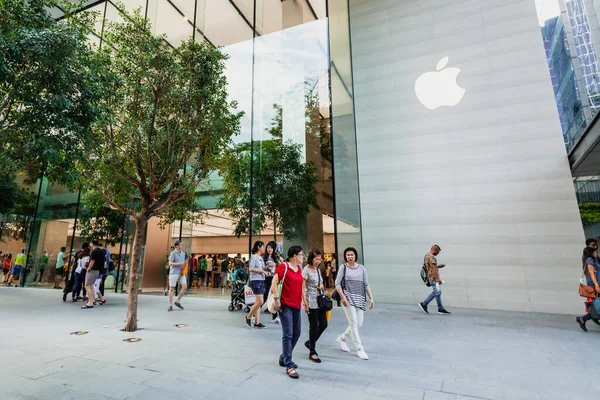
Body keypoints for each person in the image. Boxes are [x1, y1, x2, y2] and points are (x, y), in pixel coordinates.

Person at [335, 247, 374, 360]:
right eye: (348, 255)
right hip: (347, 298)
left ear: (355, 255)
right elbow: (337, 284)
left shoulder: (362, 268)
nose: (350, 257)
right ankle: (359, 348)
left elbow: (366, 284)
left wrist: (371, 298)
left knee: (359, 323)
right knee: (353, 322)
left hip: (359, 298)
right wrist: (342, 297)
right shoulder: (343, 268)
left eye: (352, 255)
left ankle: (342, 338)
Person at [272, 245, 305, 379]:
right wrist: (276, 299)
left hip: (296, 305)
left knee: (297, 333)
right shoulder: (284, 267)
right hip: (285, 305)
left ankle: (283, 357)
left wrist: (304, 302)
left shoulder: (299, 269)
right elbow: (274, 282)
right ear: (294, 256)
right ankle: (289, 365)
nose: (303, 257)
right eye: (301, 254)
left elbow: (301, 287)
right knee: (288, 334)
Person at [303, 248, 328, 363]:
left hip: (319, 299)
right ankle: (312, 351)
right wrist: (305, 303)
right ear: (311, 258)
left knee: (323, 324)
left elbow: (321, 282)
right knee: (313, 325)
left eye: (320, 259)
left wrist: (321, 285)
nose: (318, 261)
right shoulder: (306, 270)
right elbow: (302, 287)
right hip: (310, 300)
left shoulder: (317, 269)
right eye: (316, 259)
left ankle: (309, 342)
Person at [418, 245, 451, 315]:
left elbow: (429, 267)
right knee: (436, 292)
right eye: (438, 252)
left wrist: (438, 266)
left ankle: (440, 308)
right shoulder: (432, 257)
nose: (438, 253)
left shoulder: (426, 256)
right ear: (435, 250)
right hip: (433, 278)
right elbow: (432, 268)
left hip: (430, 277)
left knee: (438, 293)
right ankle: (424, 304)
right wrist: (437, 279)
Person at [577, 247, 600, 331]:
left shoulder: (594, 260)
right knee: (597, 306)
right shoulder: (590, 260)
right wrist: (597, 285)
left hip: (596, 285)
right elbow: (591, 273)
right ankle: (583, 319)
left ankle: (583, 319)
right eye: (595, 251)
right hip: (595, 286)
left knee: (597, 306)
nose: (596, 252)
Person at [245, 241, 267, 328]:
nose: (263, 248)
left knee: (258, 302)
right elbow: (251, 268)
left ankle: (257, 322)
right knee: (260, 301)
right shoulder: (254, 257)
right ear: (258, 247)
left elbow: (260, 268)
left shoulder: (260, 258)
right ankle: (248, 316)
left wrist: (266, 268)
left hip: (261, 280)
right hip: (256, 280)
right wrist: (262, 271)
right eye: (263, 246)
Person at [82, 241, 104, 309]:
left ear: (92, 244)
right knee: (91, 286)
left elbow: (92, 261)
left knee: (87, 285)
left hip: (92, 270)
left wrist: (88, 268)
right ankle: (92, 300)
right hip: (98, 270)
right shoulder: (101, 251)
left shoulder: (94, 251)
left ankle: (90, 302)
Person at [264, 241, 281, 324]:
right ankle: (254, 314)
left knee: (275, 296)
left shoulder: (276, 258)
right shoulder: (264, 258)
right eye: (268, 247)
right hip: (266, 279)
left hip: (274, 279)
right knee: (264, 297)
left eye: (271, 248)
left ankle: (274, 316)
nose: (269, 249)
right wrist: (268, 266)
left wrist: (276, 264)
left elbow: (280, 266)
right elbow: (261, 268)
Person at [167, 240, 187, 312]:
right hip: (174, 272)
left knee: (184, 286)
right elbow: (170, 263)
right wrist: (179, 263)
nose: (182, 246)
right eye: (180, 245)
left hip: (181, 273)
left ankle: (177, 301)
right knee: (172, 288)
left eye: (182, 244)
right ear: (177, 246)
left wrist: (184, 266)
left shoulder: (183, 253)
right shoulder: (173, 253)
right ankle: (170, 305)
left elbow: (183, 262)